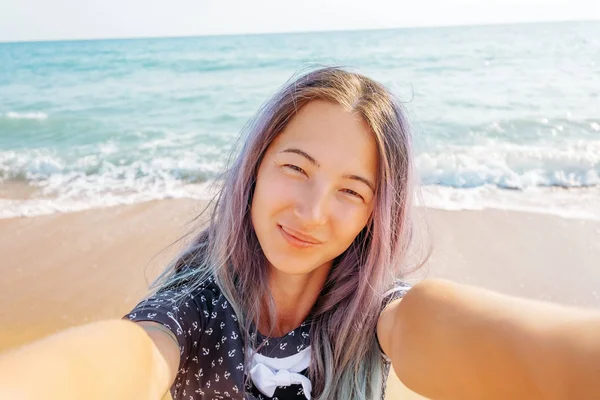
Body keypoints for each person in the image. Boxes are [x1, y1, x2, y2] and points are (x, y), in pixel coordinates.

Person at [1, 66, 599, 400]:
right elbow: (112, 361)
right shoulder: (191, 313)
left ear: (375, 214)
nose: (313, 213)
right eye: (295, 168)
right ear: (255, 170)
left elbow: (493, 345)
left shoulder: (379, 316)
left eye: (351, 191)